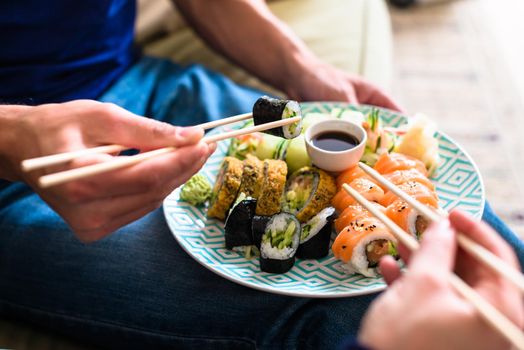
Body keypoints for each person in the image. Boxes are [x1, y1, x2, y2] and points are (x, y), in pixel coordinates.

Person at [0, 1, 522, 349]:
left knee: (480, 252)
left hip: (143, 83)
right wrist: (15, 135)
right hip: (10, 173)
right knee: (338, 313)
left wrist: (304, 69)